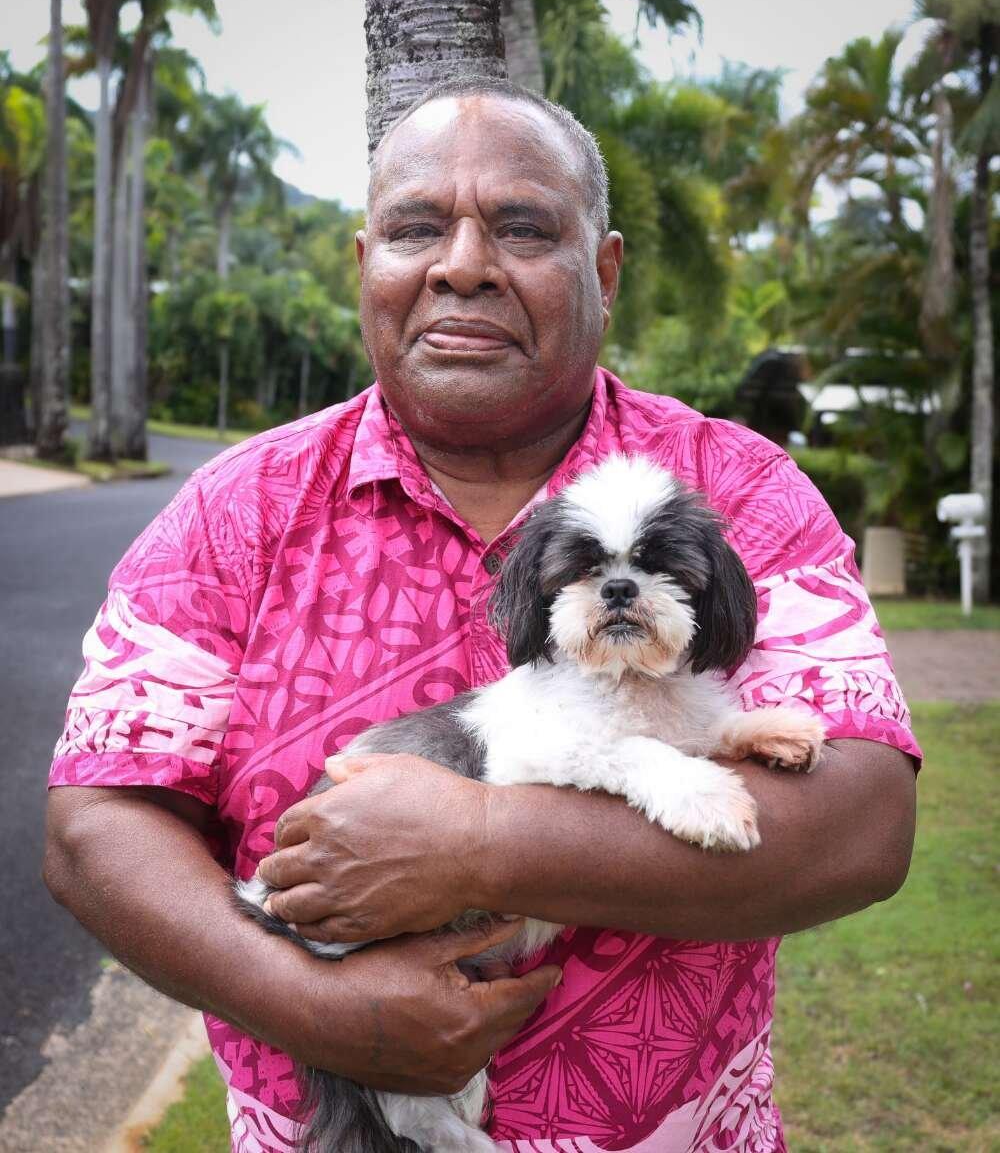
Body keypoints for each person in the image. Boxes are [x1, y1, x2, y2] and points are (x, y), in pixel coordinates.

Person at [44, 77, 918, 1152]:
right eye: (417, 228)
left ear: (601, 268)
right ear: (366, 263)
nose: (462, 264)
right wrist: (315, 1005)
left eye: (520, 226)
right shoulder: (235, 511)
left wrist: (481, 840)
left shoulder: (746, 493)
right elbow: (94, 826)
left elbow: (864, 822)